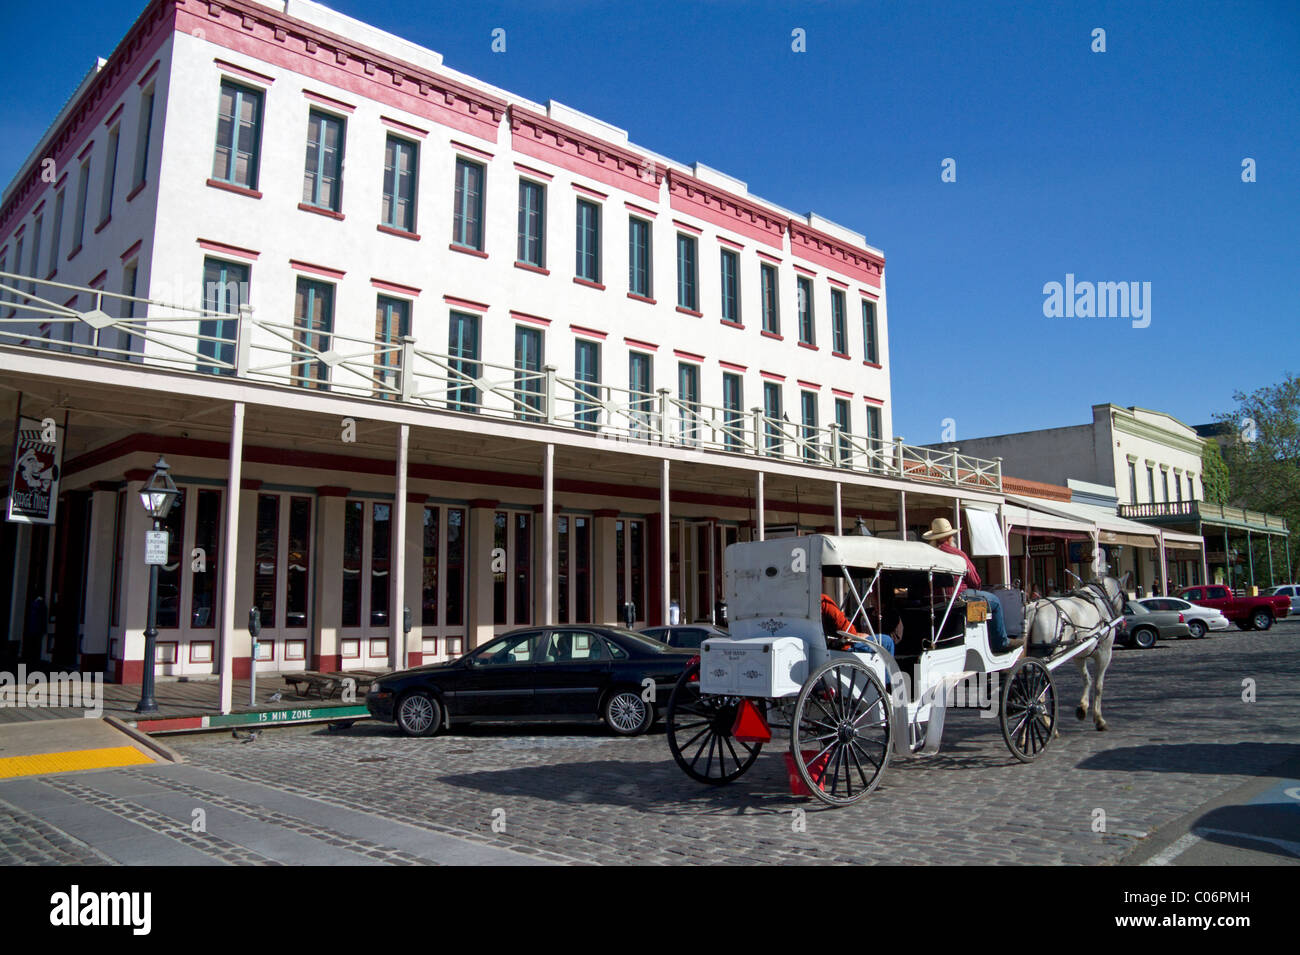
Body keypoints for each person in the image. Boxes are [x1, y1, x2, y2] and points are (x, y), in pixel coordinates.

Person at [921, 518, 1020, 653]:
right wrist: (975, 589)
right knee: (995, 602)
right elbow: (975, 581)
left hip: (935, 601)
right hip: (957, 598)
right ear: (950, 537)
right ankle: (1000, 642)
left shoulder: (928, 555)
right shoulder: (958, 554)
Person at [820, 593, 894, 656]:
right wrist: (858, 635)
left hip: (830, 644)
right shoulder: (824, 601)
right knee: (887, 641)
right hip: (845, 645)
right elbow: (848, 631)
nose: (869, 596)